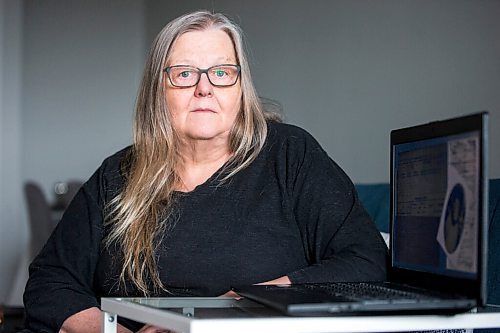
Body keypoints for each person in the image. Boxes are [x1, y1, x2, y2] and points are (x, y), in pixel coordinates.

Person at [21, 10, 387, 333]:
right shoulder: (117, 173)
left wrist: (229, 309)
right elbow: (50, 280)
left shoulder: (290, 154)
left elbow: (365, 259)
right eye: (184, 74)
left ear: (241, 88)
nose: (204, 88)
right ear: (157, 91)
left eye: (222, 72)